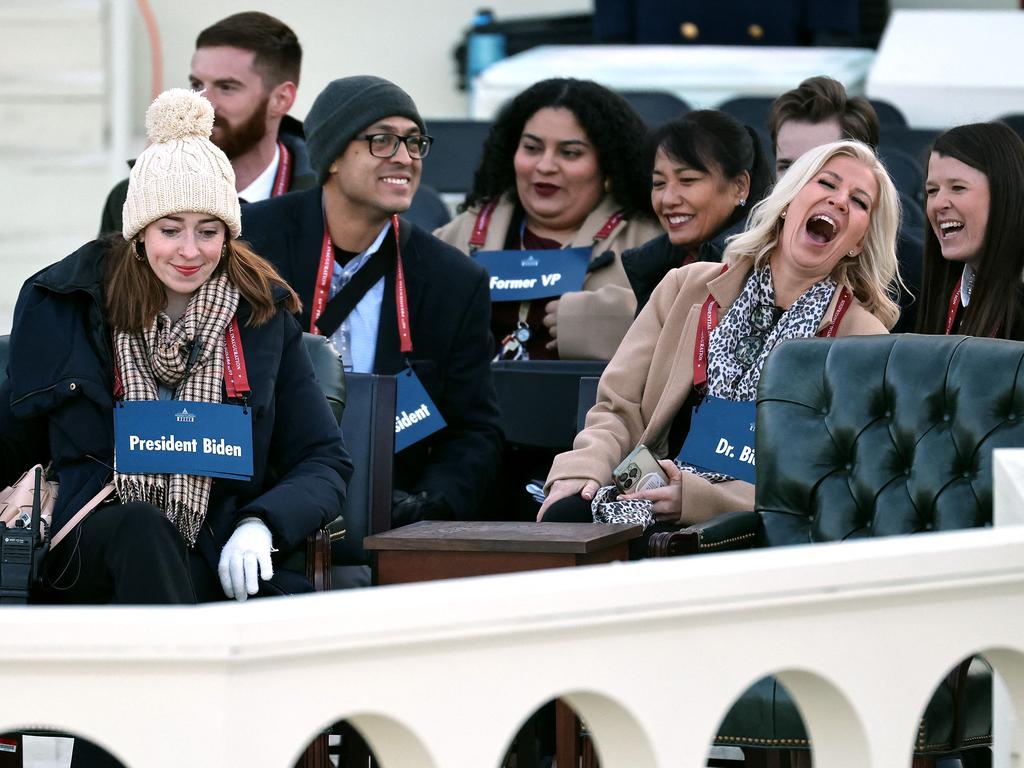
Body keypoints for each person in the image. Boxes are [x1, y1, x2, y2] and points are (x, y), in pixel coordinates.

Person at [0, 89, 351, 612]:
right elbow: (14, 441)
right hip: (91, 542)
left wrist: (262, 523)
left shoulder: (259, 317)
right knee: (143, 528)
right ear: (139, 233)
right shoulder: (73, 306)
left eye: (209, 232)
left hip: (216, 547)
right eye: (170, 230)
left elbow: (321, 459)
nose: (190, 252)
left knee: (173, 553)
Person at [539, 140, 899, 536]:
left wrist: (695, 499)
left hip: (757, 520)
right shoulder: (686, 286)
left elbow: (833, 481)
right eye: (826, 184)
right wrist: (582, 470)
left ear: (860, 242)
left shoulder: (865, 340)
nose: (840, 201)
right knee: (565, 516)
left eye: (860, 201)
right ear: (787, 202)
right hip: (648, 487)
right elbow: (617, 406)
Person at [241, 76, 502, 526]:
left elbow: (474, 432)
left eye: (415, 142)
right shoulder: (251, 243)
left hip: (386, 513)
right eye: (382, 140)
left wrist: (427, 505)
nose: (405, 157)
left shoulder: (453, 280)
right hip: (263, 499)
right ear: (334, 155)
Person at [97, 13, 451, 236]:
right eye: (196, 84)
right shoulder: (136, 195)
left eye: (227, 87)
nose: (203, 102)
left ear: (282, 99)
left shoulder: (332, 194)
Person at [434, 77, 662, 361]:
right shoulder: (459, 236)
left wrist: (611, 319)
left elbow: (682, 338)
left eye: (569, 153)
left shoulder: (652, 242)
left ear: (608, 164)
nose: (545, 166)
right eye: (532, 148)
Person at [767, 75, 923, 332]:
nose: (800, 181)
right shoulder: (729, 262)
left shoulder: (913, 271)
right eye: (788, 167)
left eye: (818, 168)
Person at [621, 109, 773, 313]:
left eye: (687, 180)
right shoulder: (655, 265)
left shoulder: (766, 270)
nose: (667, 199)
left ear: (739, 186)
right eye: (658, 183)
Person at [916, 122, 1024, 340]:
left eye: (958, 187)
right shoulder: (943, 294)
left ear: (1006, 194)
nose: (938, 203)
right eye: (932, 190)